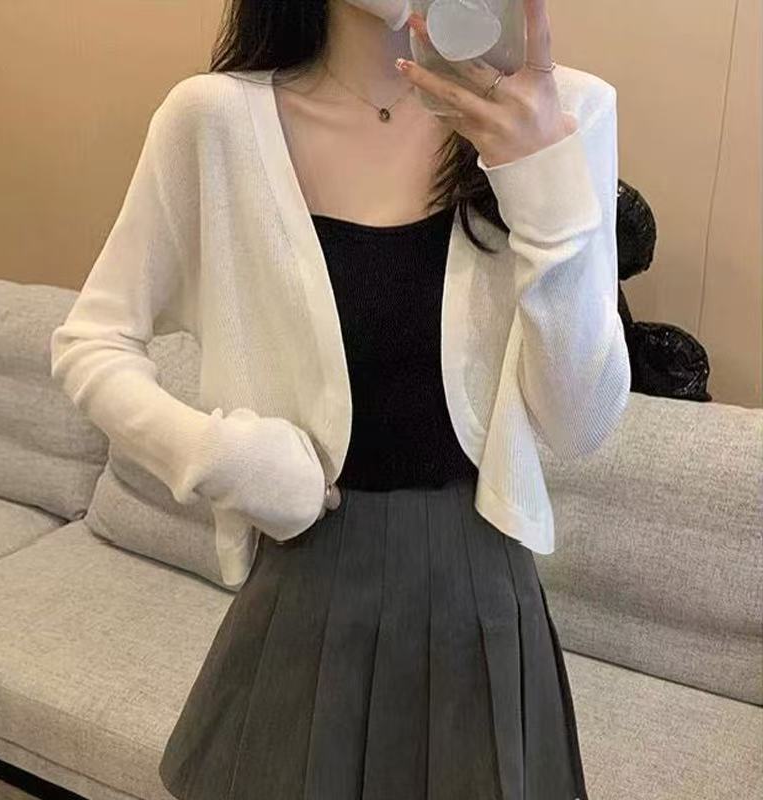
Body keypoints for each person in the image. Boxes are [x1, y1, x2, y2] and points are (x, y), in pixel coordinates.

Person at [50, 1, 631, 798]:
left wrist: (541, 182)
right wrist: (218, 456)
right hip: (308, 567)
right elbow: (91, 340)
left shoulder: (562, 112)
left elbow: (580, 422)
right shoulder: (213, 121)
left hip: (485, 584)